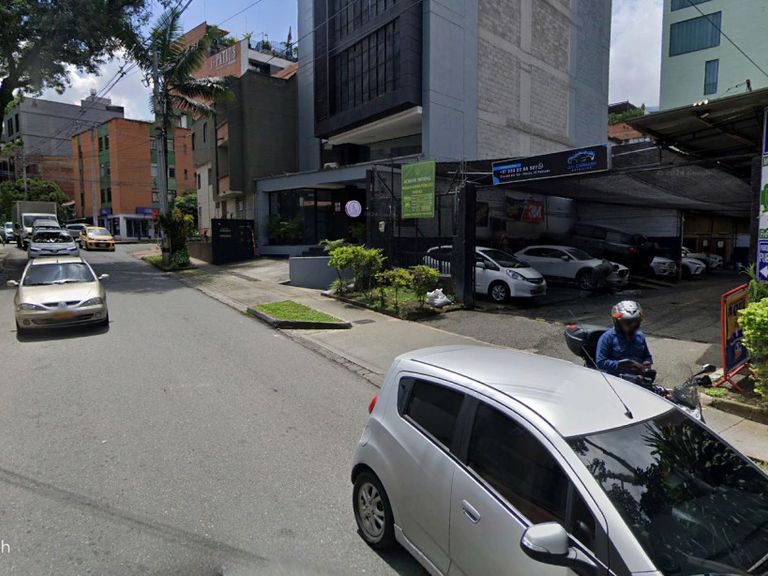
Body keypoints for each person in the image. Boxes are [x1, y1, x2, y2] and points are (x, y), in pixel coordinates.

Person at [596, 300, 653, 377]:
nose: (632, 325)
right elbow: (600, 363)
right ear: (618, 322)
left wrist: (647, 362)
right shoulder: (607, 338)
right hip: (617, 379)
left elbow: (647, 355)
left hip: (638, 378)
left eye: (635, 322)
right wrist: (620, 365)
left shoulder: (640, 336)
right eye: (628, 322)